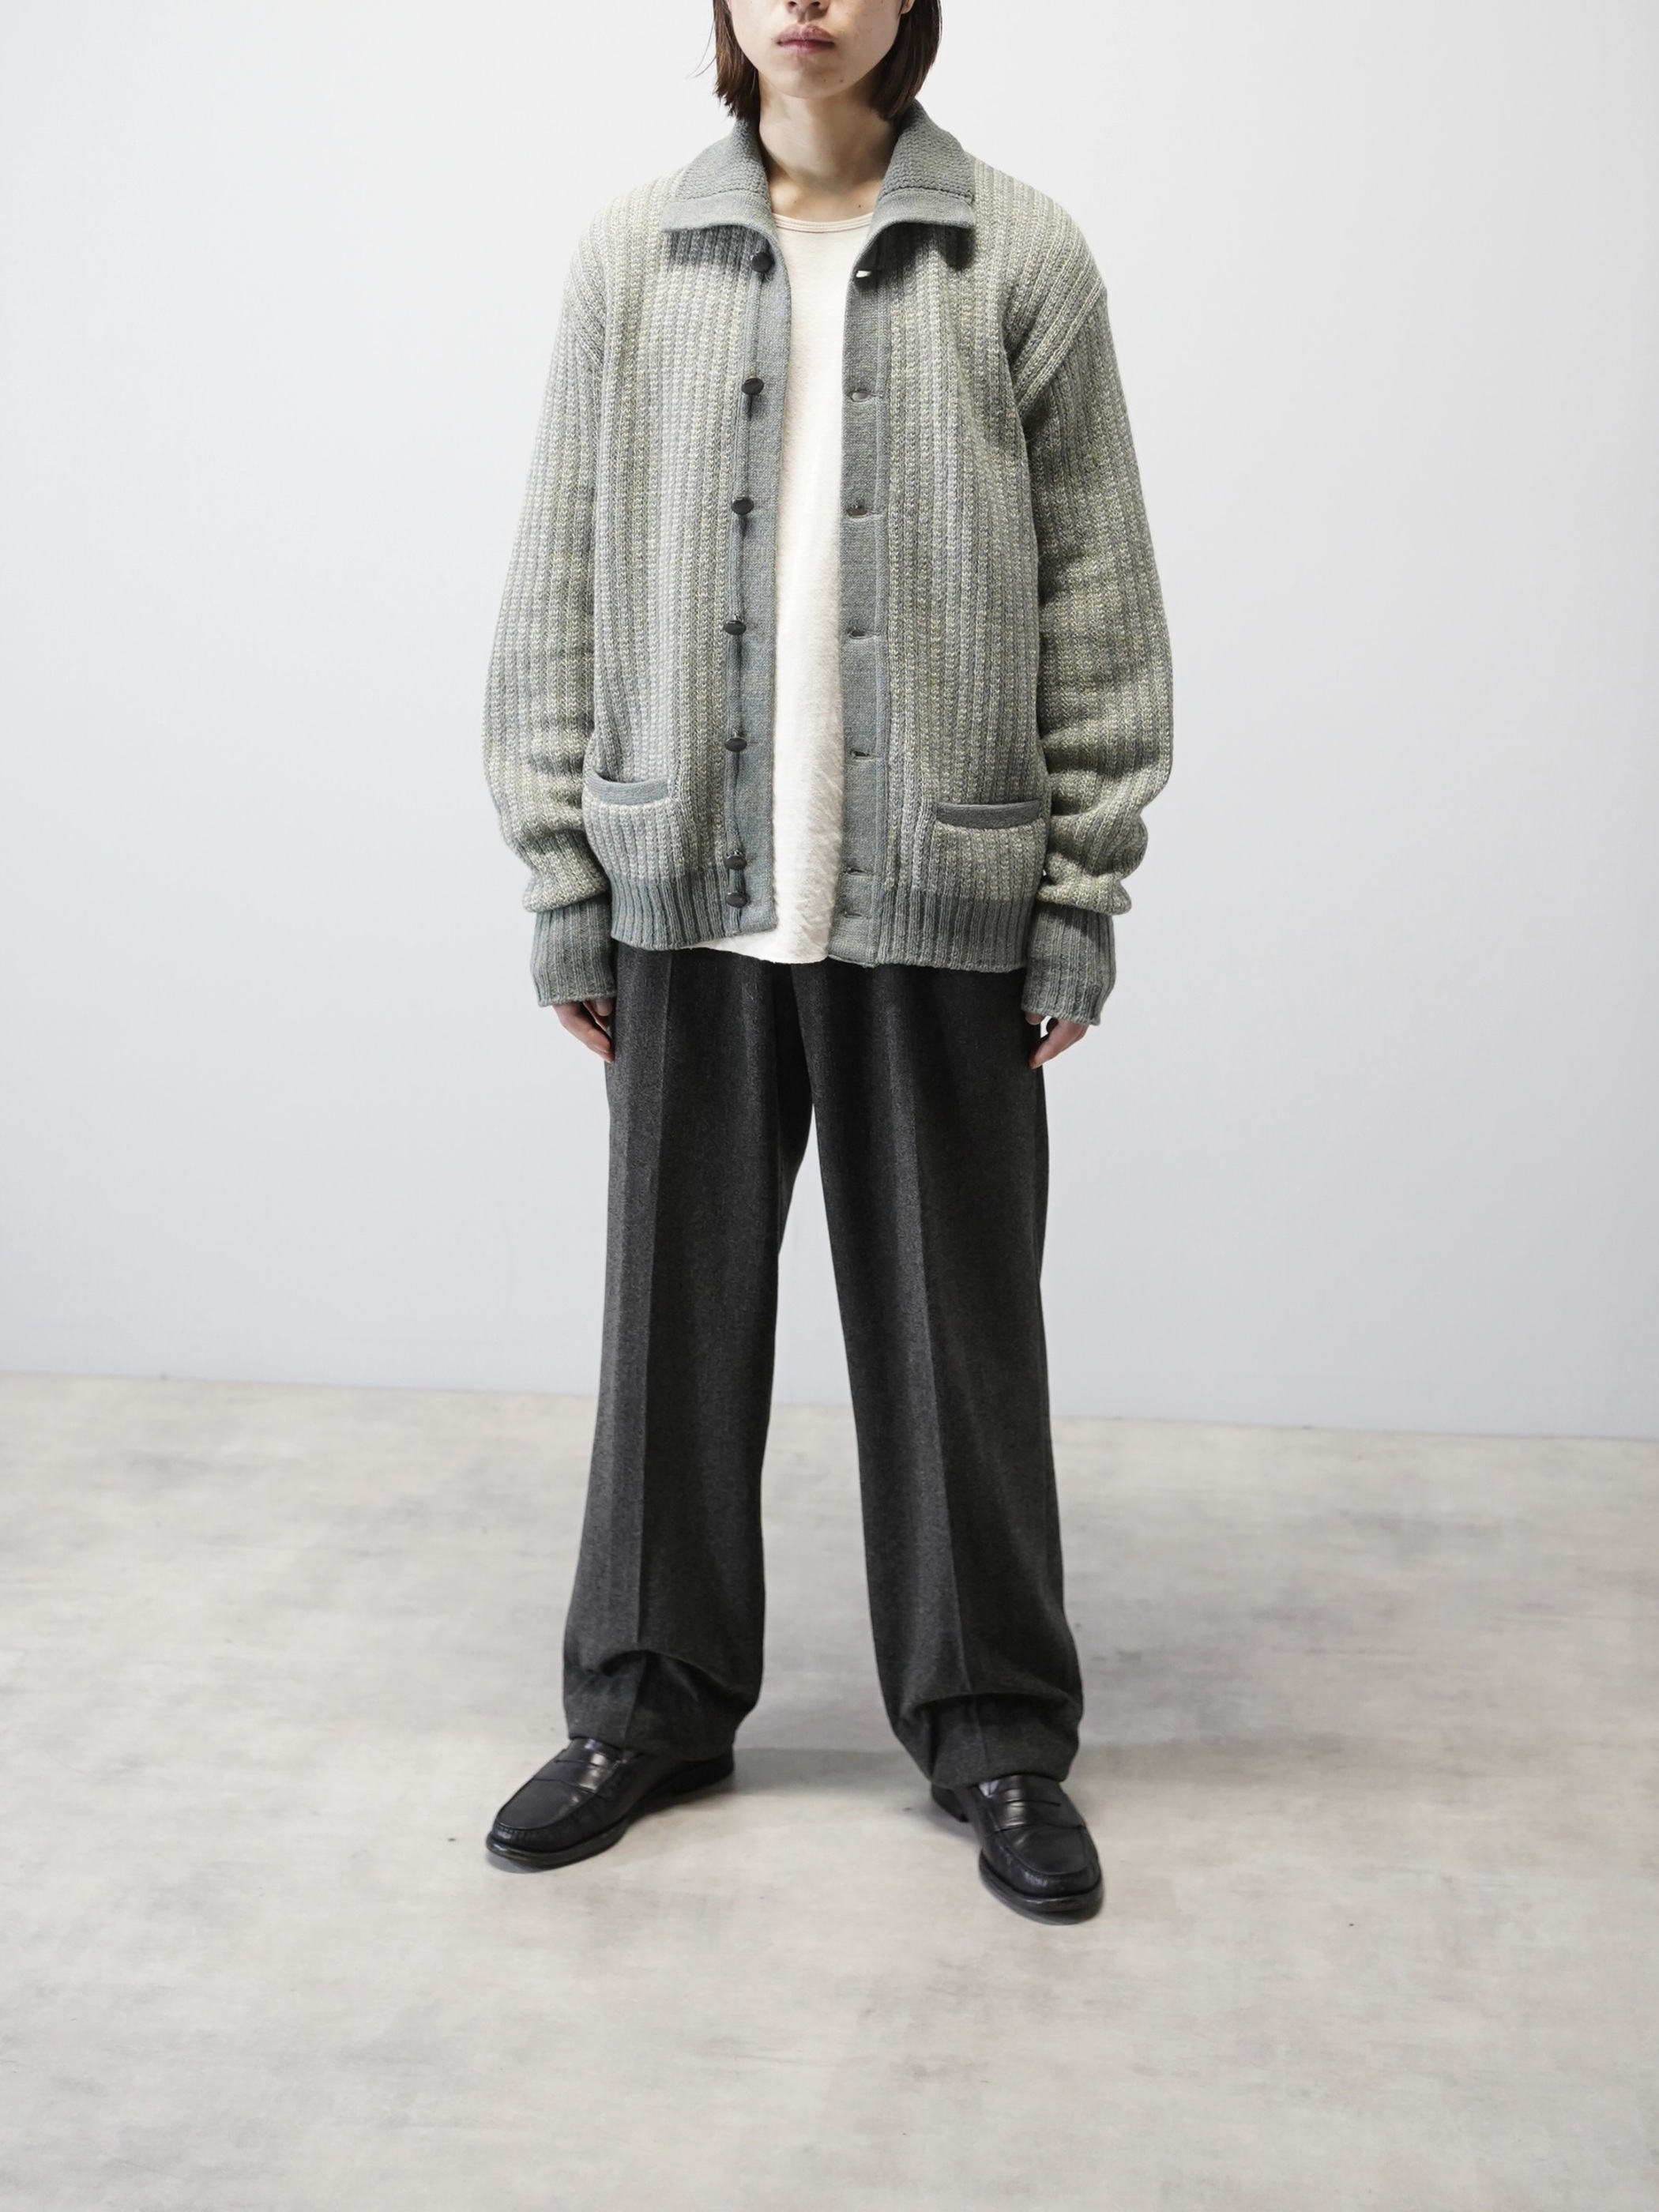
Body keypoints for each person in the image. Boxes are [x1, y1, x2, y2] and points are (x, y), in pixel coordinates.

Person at [480, 0, 1171, 1924]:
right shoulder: (635, 256)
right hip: (684, 888)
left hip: (941, 891)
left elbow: (1101, 593)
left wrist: (1077, 895)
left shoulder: (1017, 256)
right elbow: (557, 580)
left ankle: (995, 1728)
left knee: (961, 1336)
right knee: (669, 1327)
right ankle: (647, 1700)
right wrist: (561, 872)